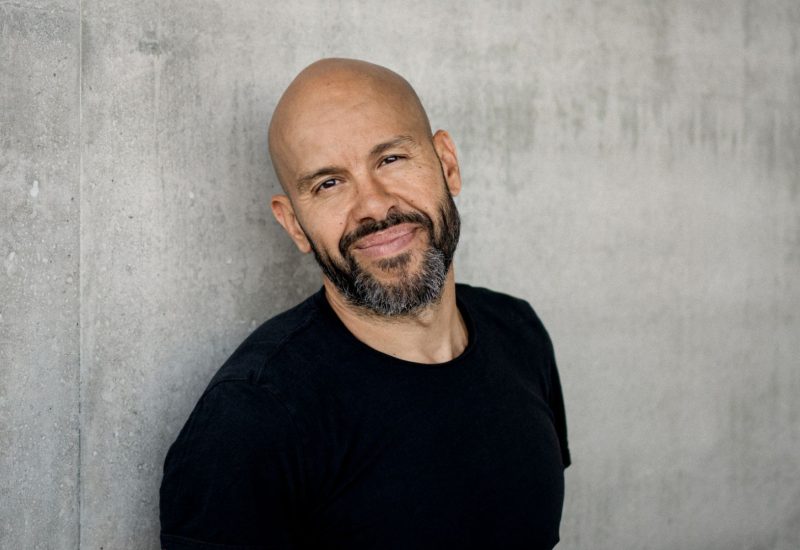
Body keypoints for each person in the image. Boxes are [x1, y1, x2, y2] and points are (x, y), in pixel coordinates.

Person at [160, 58, 570, 549]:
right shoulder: (252, 419)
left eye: (390, 159)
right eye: (329, 183)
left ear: (448, 164)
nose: (373, 205)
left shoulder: (519, 333)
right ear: (294, 224)